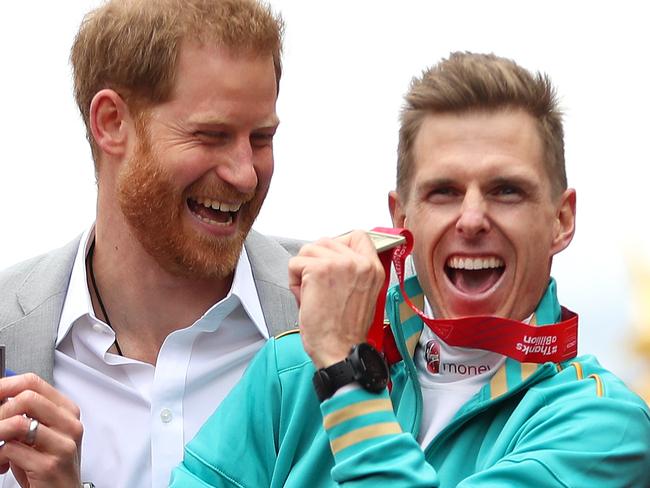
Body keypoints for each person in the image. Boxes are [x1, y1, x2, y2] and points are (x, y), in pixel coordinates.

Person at [171, 52, 650, 487]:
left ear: (561, 221)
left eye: (507, 190)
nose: (472, 219)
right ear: (402, 220)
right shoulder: (291, 370)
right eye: (443, 191)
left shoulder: (604, 424)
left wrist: (345, 374)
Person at [0, 0, 299, 486]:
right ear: (112, 123)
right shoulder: (8, 327)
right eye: (211, 135)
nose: (245, 174)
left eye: (261, 138)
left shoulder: (364, 317)